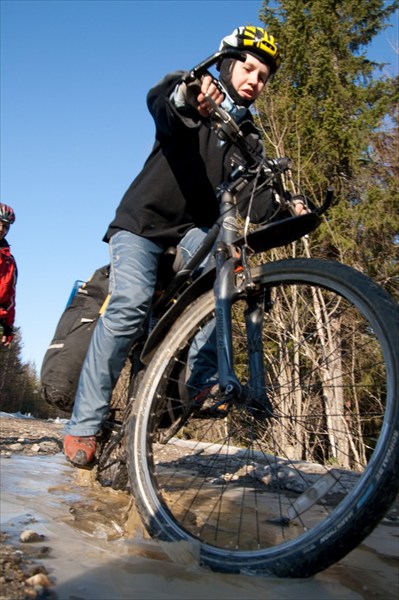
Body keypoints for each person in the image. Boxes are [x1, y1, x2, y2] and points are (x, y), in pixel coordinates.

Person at [64, 25, 308, 468]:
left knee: (229, 266)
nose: (255, 79)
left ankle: (200, 377)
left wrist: (286, 206)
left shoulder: (248, 137)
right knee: (130, 304)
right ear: (228, 63)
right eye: (249, 67)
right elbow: (163, 103)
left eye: (264, 76)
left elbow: (257, 201)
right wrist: (186, 96)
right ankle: (83, 422)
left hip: (194, 233)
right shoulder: (197, 91)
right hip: (143, 225)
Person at [0, 204, 17, 347]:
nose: (1, 229)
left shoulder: (10, 262)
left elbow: (10, 296)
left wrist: (8, 326)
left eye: (5, 227)